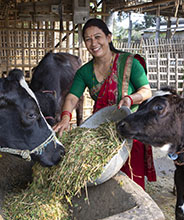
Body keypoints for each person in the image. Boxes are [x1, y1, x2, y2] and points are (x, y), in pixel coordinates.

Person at [53, 18, 156, 189]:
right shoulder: (85, 72)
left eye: (98, 37)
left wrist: (130, 99)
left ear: (108, 37)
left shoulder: (130, 63)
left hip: (131, 128)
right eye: (88, 39)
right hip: (102, 130)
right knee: (100, 176)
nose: (93, 43)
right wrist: (65, 118)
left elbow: (146, 91)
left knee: (131, 180)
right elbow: (72, 97)